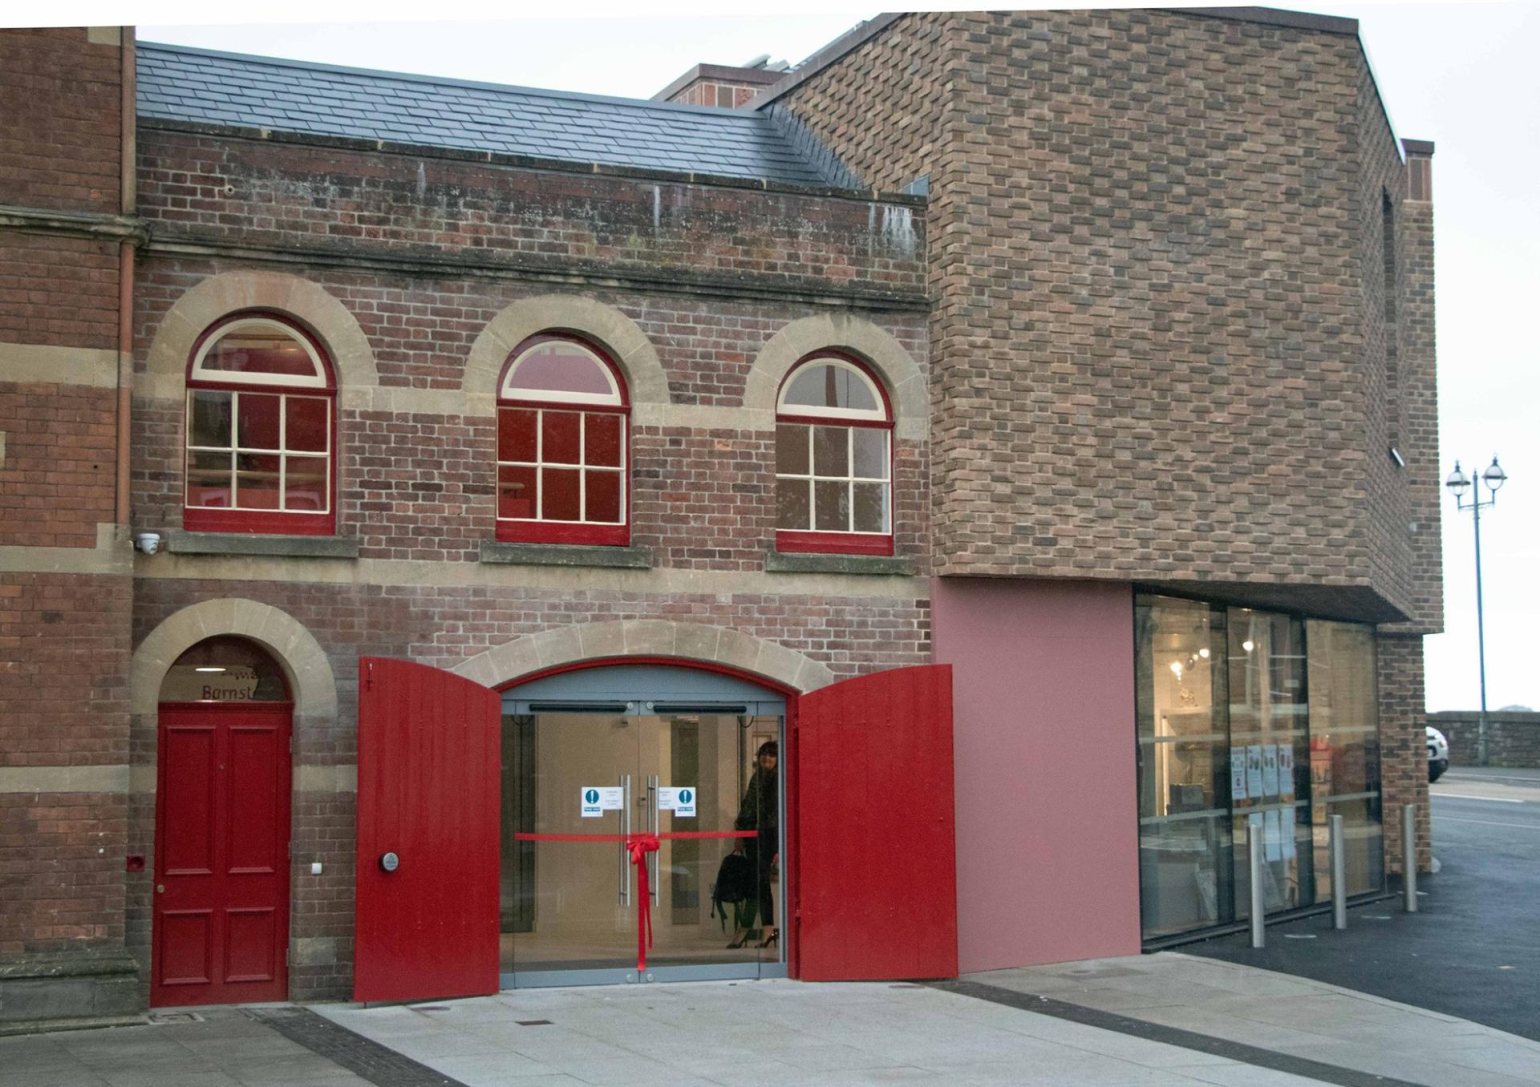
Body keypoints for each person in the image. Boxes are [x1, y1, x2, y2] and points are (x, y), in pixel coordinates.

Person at [728, 740, 778, 949]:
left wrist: (777, 848)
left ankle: (753, 930)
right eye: (764, 754)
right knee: (756, 883)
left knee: (759, 883)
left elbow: (776, 815)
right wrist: (740, 834)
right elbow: (747, 807)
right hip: (752, 837)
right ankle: (760, 930)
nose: (767, 758)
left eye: (771, 755)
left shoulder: (777, 780)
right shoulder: (757, 778)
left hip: (768, 838)